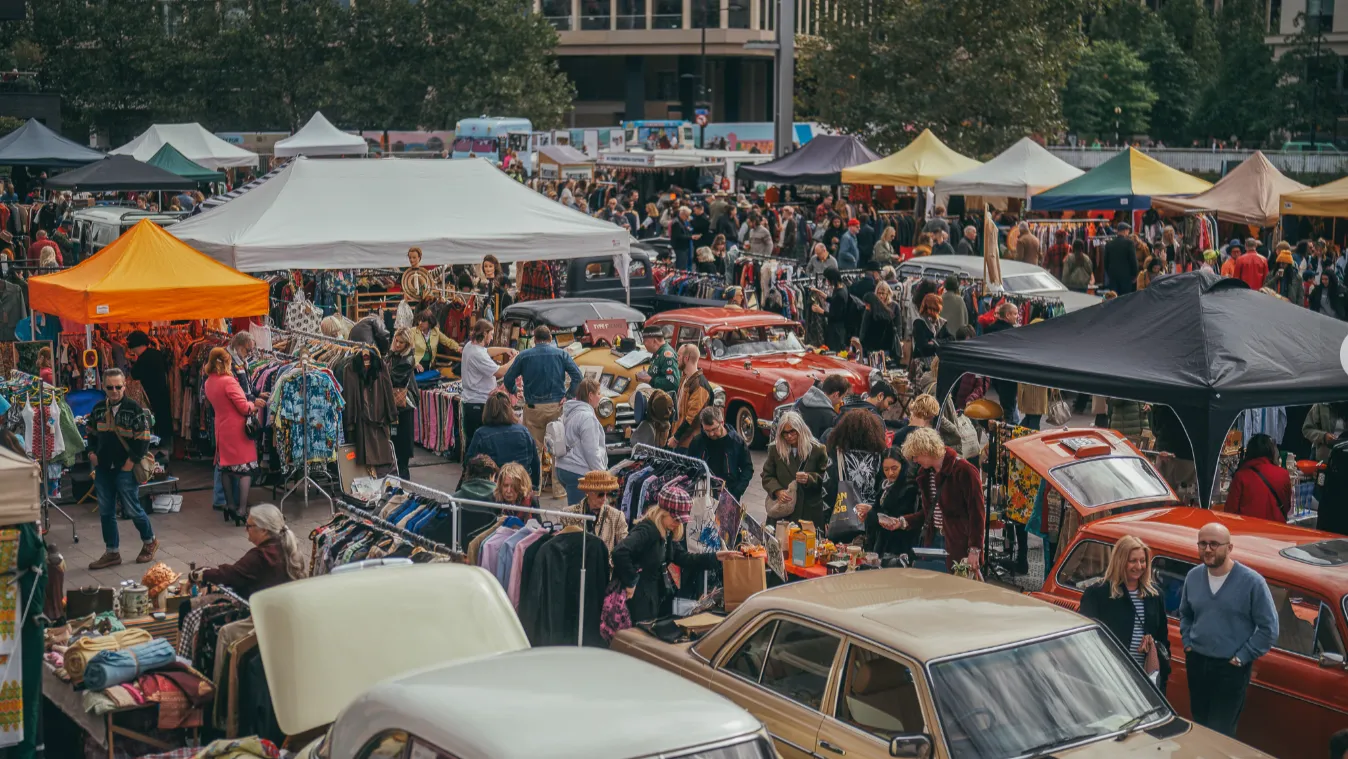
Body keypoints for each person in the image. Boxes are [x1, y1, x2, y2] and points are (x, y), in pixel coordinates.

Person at [1178, 522, 1278, 737]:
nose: (1207, 549)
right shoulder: (1193, 577)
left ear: (1229, 548)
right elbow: (1185, 614)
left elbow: (1269, 628)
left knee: (1220, 732)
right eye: (1202, 543)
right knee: (1200, 725)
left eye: (1214, 544)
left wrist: (1242, 657)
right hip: (1197, 661)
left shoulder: (1252, 582)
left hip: (1230, 668)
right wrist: (1187, 643)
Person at [611, 487, 740, 623]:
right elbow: (620, 552)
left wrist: (716, 557)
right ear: (662, 512)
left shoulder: (666, 531)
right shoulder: (647, 530)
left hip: (652, 597)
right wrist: (631, 581)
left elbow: (683, 557)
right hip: (638, 601)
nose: (678, 523)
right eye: (675, 519)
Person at [1079, 536, 1172, 694]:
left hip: (1144, 678)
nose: (1139, 566)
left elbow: (1163, 637)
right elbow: (1085, 638)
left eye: (1143, 561)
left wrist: (1152, 643)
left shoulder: (1155, 595)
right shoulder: (1098, 593)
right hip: (1108, 678)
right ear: (1120, 561)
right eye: (1133, 561)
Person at [86, 369, 158, 570]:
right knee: (106, 512)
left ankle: (149, 541)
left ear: (125, 386)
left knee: (133, 509)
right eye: (110, 387)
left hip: (124, 468)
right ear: (104, 387)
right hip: (103, 468)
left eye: (119, 386)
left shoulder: (134, 408)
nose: (115, 391)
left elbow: (144, 439)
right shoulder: (99, 409)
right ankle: (112, 552)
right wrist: (92, 454)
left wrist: (130, 462)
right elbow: (91, 433)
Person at [903, 427, 984, 573]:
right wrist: (903, 521)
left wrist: (974, 550)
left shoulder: (964, 470)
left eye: (916, 456)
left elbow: (977, 513)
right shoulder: (926, 474)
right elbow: (929, 513)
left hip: (957, 541)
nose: (915, 460)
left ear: (926, 451)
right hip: (934, 539)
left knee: (954, 589)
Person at [503, 324, 584, 462]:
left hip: (533, 408)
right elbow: (578, 377)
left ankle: (535, 483)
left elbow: (508, 378)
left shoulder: (524, 356)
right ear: (550, 338)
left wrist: (515, 391)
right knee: (558, 451)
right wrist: (568, 396)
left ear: (534, 339)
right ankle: (556, 483)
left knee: (534, 452)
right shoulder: (562, 354)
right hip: (556, 407)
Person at [189, 504, 305, 598]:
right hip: (283, 604)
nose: (246, 530)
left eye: (249, 526)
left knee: (193, 609)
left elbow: (229, 575)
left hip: (261, 612)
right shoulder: (287, 545)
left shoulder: (261, 556)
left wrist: (199, 574)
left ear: (263, 530)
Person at [205, 347, 263, 526]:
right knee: (245, 471)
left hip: (222, 428)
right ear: (226, 362)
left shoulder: (209, 382)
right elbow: (244, 407)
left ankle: (230, 506)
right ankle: (241, 510)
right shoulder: (228, 381)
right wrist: (255, 404)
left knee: (227, 468)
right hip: (237, 430)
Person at [459, 318, 518, 455]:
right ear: (485, 334)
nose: (492, 338)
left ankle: (468, 471)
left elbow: (487, 351)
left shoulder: (470, 346)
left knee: (473, 442)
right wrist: (516, 359)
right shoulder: (477, 354)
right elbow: (500, 372)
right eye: (491, 334)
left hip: (471, 401)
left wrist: (506, 350)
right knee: (479, 443)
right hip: (478, 404)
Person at [761, 411, 828, 524]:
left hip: (808, 512)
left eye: (792, 431)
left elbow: (826, 478)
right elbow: (767, 475)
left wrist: (809, 478)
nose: (789, 436)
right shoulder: (775, 450)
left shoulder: (817, 450)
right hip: (783, 513)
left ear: (800, 429)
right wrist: (777, 491)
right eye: (785, 433)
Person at [466, 392, 541, 487]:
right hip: (521, 485)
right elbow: (535, 463)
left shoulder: (481, 434)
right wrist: (533, 486)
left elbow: (469, 463)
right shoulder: (524, 431)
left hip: (494, 487)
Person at [553, 377, 607, 505]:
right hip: (577, 471)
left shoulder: (569, 412)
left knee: (578, 512)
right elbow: (591, 451)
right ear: (590, 395)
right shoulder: (587, 418)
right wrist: (602, 474)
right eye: (598, 393)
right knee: (579, 517)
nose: (600, 397)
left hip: (562, 467)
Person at [865, 447, 921, 559]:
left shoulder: (910, 488)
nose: (890, 473)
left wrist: (873, 514)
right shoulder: (883, 486)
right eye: (886, 469)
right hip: (882, 544)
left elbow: (901, 515)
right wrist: (868, 511)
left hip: (899, 546)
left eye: (894, 468)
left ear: (902, 466)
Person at [689, 406, 754, 500]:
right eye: (707, 430)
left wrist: (737, 491)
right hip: (702, 494)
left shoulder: (736, 442)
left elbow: (747, 468)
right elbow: (689, 466)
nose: (711, 434)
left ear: (722, 422)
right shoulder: (698, 441)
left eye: (714, 429)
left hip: (729, 493)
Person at [1225, 434, 1292, 522]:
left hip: (1248, 531)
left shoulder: (1241, 476)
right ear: (1272, 452)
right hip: (1276, 530)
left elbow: (1230, 511)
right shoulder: (1283, 474)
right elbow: (1287, 506)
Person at [126, 330, 173, 447]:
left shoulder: (143, 359)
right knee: (163, 419)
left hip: (149, 396)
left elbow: (134, 374)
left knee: (153, 421)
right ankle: (165, 446)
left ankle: (157, 446)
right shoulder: (156, 353)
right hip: (161, 392)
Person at [564, 470, 628, 552]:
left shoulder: (617, 516)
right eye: (600, 494)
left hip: (604, 563)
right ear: (588, 492)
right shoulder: (568, 514)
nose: (605, 498)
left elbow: (624, 547)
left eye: (607, 494)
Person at [385, 328, 419, 480]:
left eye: (401, 342)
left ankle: (403, 474)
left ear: (407, 343)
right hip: (397, 403)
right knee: (395, 438)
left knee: (402, 439)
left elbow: (393, 377)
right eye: (396, 340)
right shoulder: (394, 355)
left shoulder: (408, 359)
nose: (397, 344)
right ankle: (398, 472)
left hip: (405, 403)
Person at [982, 302, 1020, 422]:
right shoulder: (1013, 333)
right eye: (1015, 314)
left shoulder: (989, 330)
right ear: (1007, 315)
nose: (1017, 316)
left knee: (1005, 404)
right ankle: (1008, 430)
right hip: (1009, 373)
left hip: (993, 371)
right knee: (1009, 405)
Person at [671, 343, 713, 449]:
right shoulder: (685, 379)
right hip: (681, 442)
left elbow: (692, 419)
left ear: (686, 358)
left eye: (678, 356)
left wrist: (676, 438)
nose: (677, 359)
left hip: (690, 445)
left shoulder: (700, 386)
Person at [795, 374, 850, 441]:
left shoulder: (801, 401)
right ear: (836, 394)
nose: (841, 401)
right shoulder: (830, 418)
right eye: (842, 397)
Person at [636, 325, 679, 395]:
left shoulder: (667, 355)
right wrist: (647, 375)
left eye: (645, 340)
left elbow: (673, 384)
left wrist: (650, 380)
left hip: (664, 401)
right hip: (656, 397)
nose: (643, 343)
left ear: (654, 341)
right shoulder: (657, 352)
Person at [859, 281, 899, 358]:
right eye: (879, 293)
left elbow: (864, 333)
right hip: (885, 350)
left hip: (872, 350)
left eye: (882, 293)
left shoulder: (870, 314)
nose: (880, 296)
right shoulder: (887, 313)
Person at [911, 293, 950, 369]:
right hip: (921, 363)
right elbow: (923, 346)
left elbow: (950, 339)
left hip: (937, 363)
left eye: (935, 310)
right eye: (931, 309)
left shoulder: (941, 322)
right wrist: (940, 345)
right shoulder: (919, 322)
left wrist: (935, 342)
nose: (933, 312)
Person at [1104, 222, 1140, 294]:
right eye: (1128, 230)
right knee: (1125, 299)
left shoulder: (1109, 244)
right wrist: (1135, 274)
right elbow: (1133, 260)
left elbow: (1106, 262)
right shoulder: (1129, 243)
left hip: (1113, 277)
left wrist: (1110, 274)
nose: (1128, 232)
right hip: (1126, 277)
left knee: (1114, 298)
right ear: (1124, 231)